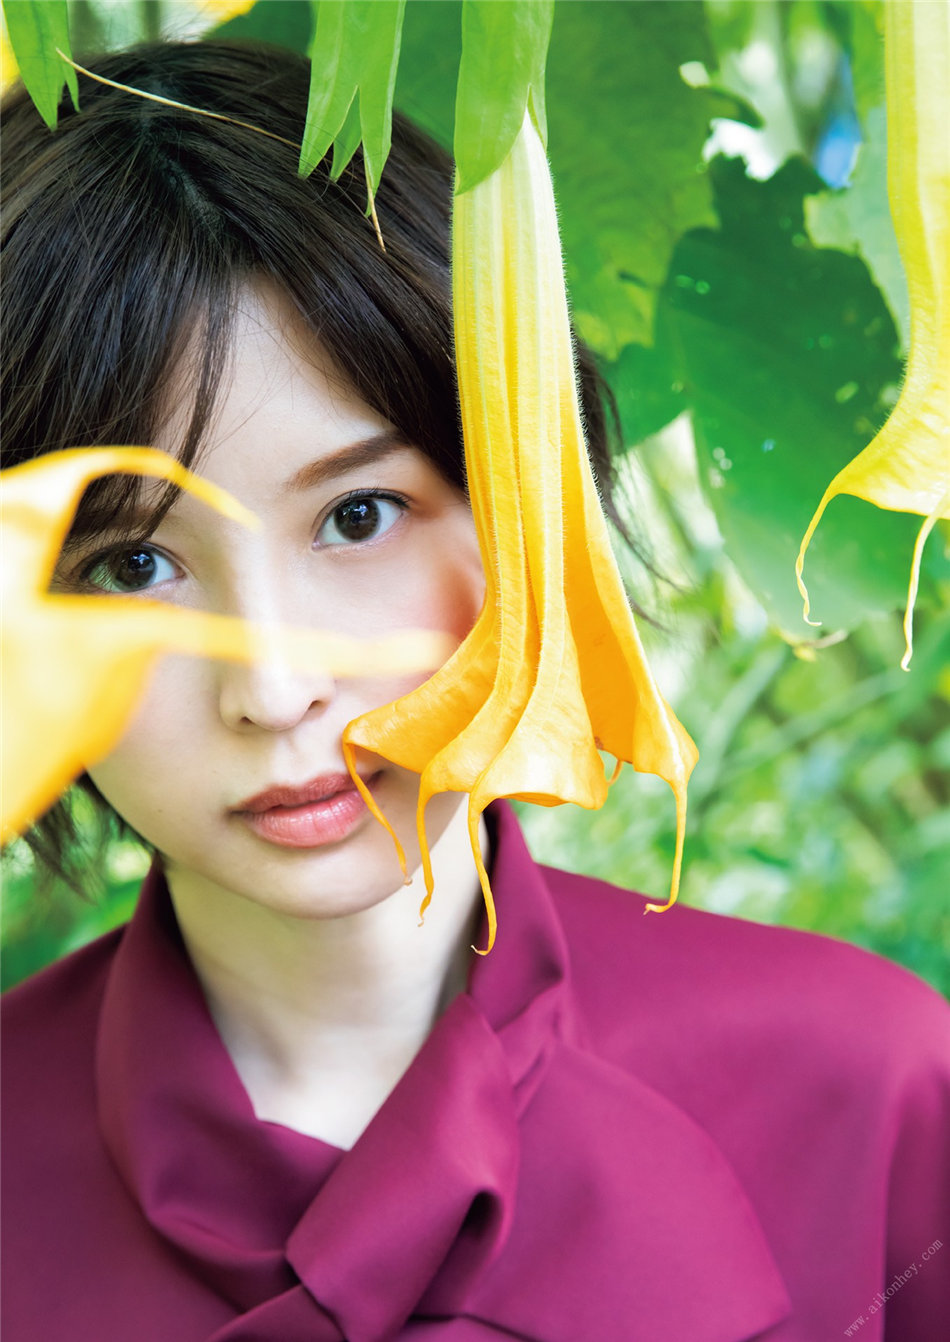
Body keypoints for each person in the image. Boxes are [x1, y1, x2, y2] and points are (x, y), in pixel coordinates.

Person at [2, 40, 948, 1342]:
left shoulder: (866, 1084)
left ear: (524, 488)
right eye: (135, 564)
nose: (275, 686)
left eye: (358, 515)